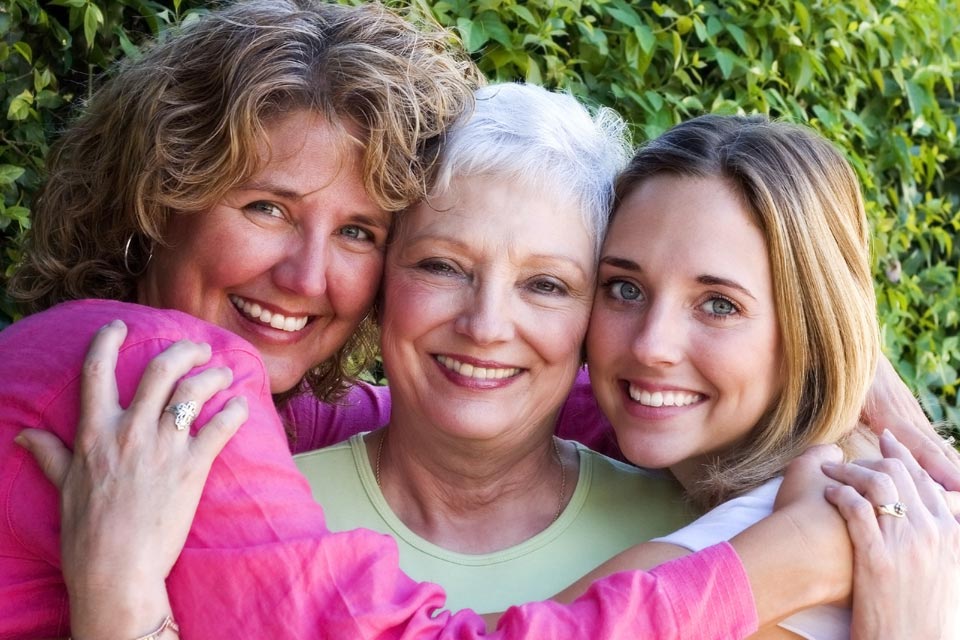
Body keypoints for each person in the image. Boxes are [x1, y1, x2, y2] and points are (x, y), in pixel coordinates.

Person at [0, 0, 953, 636]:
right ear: (159, 196)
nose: (306, 273)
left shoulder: (252, 415)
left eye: (359, 231)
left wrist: (820, 378)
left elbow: (516, 401)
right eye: (265, 207)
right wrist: (121, 605)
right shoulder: (164, 389)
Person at [294, 82, 695, 613]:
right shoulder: (272, 510)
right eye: (443, 267)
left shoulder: (690, 538)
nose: (485, 326)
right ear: (382, 284)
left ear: (592, 318)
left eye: (545, 285)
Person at [583, 114, 960, 637]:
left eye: (719, 304)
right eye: (625, 288)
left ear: (813, 331)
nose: (651, 346)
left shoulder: (793, 537)